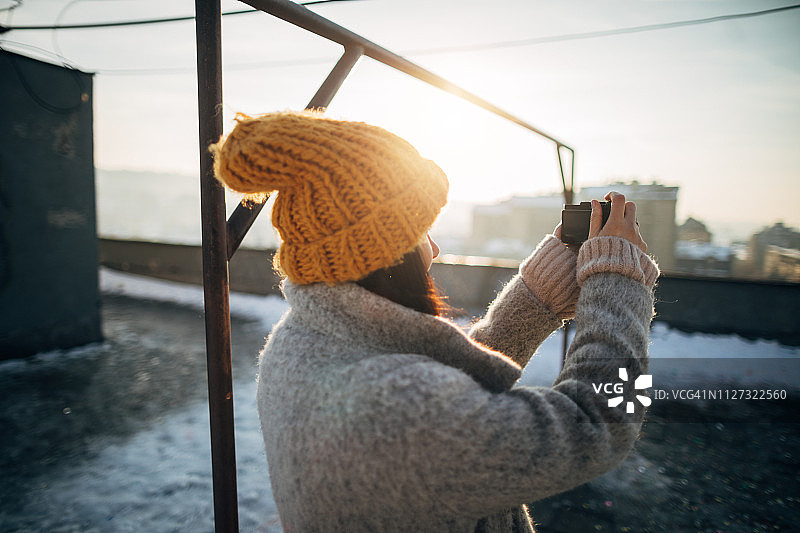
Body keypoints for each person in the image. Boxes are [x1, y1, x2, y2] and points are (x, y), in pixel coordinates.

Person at [211, 110, 659, 532]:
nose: (437, 249)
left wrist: (536, 298)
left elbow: (439, 390)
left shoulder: (304, 340)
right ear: (384, 252)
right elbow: (596, 423)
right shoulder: (401, 409)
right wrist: (619, 279)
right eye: (421, 231)